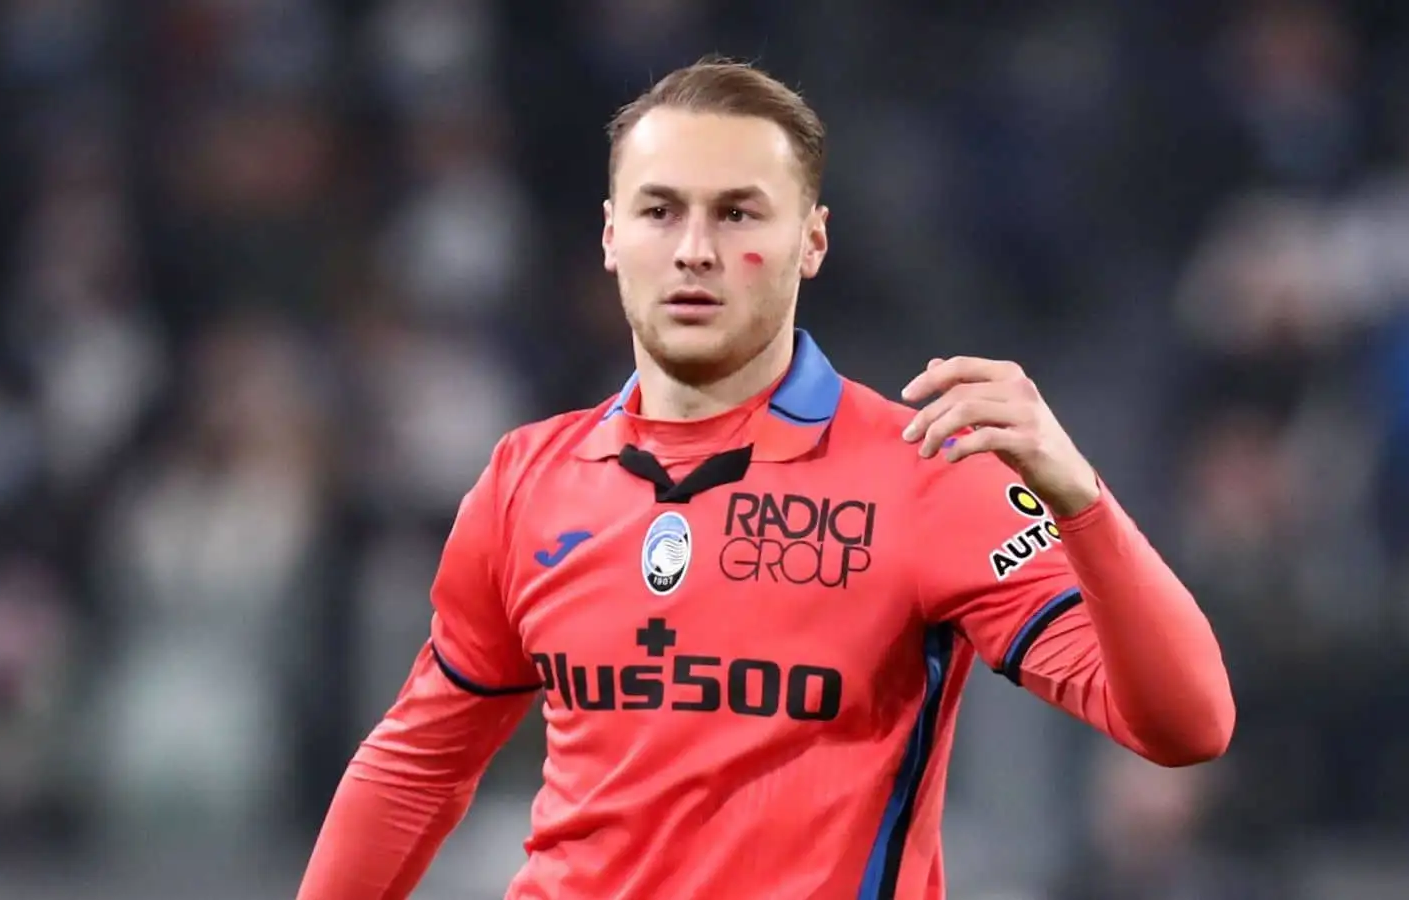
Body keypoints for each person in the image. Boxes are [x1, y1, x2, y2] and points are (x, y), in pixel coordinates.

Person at [296, 57, 1234, 900]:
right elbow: (416, 769)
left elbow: (1186, 723)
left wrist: (1082, 501)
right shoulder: (526, 478)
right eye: (661, 210)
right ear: (612, 236)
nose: (695, 249)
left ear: (812, 242)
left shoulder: (926, 473)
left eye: (738, 212)